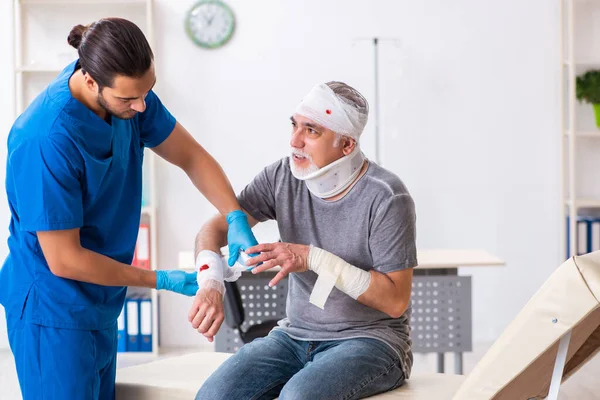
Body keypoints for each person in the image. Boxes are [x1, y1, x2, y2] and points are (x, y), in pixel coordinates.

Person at [0, 18, 258, 400]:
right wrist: (161, 280)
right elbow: (65, 260)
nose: (141, 107)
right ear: (90, 81)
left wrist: (234, 216)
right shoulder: (44, 139)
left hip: (100, 301)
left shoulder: (129, 96)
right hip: (52, 308)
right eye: (128, 99)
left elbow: (191, 156)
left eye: (146, 92)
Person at [189, 81, 417, 399]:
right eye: (294, 125)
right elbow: (211, 231)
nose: (294, 141)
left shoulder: (387, 196)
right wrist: (211, 282)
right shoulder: (282, 177)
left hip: (371, 340)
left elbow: (395, 302)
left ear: (347, 145)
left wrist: (312, 258)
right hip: (294, 336)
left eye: (311, 131)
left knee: (298, 397)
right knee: (213, 396)